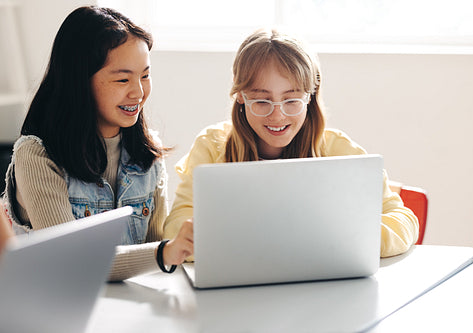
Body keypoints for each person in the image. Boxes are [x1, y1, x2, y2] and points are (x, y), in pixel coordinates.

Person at [165, 28, 419, 258]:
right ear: (241, 97)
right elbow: (176, 227)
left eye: (291, 100)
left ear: (310, 97)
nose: (277, 116)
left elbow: (403, 220)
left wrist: (346, 239)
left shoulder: (338, 150)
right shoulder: (212, 147)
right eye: (262, 101)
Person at [2, 6, 193, 281]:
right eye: (123, 79)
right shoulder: (36, 156)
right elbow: (70, 263)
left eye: (145, 75)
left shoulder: (148, 156)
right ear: (80, 82)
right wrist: (164, 253)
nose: (138, 92)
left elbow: (154, 261)